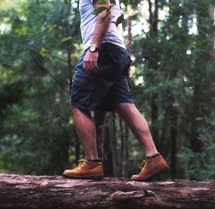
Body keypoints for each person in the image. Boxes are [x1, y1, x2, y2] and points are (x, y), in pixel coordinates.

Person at [62, 0, 168, 181]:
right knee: (124, 104)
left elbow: (105, 13)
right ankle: (154, 158)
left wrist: (93, 48)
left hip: (103, 50)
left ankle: (92, 163)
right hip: (116, 52)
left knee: (78, 104)